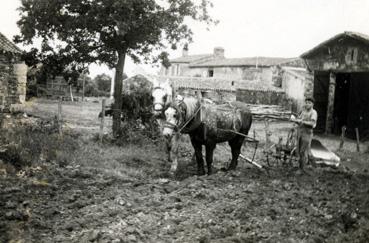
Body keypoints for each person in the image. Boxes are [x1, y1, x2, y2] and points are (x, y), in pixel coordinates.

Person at [291, 96, 318, 172]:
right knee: (300, 151)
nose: (307, 104)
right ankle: (312, 166)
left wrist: (302, 122)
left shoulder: (313, 112)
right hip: (300, 133)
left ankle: (302, 169)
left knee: (303, 151)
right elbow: (299, 120)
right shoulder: (303, 111)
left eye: (309, 103)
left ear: (312, 104)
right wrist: (294, 120)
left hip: (307, 134)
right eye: (306, 102)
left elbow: (312, 123)